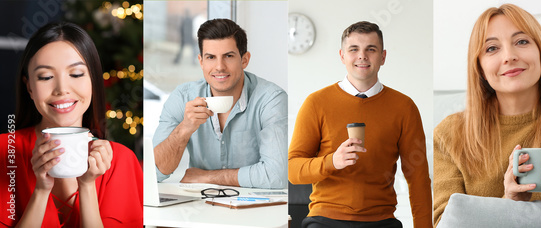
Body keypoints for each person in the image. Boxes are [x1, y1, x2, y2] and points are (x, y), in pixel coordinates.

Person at [432, 4, 541, 225]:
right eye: (491, 48)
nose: (509, 56)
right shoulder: (450, 134)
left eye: (521, 42)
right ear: (480, 68)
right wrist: (507, 202)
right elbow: (445, 222)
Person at [288, 21, 432, 228]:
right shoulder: (316, 103)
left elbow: (418, 178)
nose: (362, 56)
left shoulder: (404, 107)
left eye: (370, 49)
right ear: (342, 56)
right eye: (353, 49)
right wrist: (332, 162)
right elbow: (293, 170)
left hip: (381, 221)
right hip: (325, 219)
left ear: (382, 57)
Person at [1, 22, 142, 227]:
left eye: (76, 74)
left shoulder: (121, 161)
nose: (61, 89)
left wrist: (87, 186)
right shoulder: (5, 152)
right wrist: (41, 191)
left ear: (93, 79)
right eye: (46, 77)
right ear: (29, 86)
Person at [152, 18, 287, 189]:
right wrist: (184, 128)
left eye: (228, 56)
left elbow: (276, 175)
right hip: (200, 205)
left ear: (244, 60)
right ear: (201, 61)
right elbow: (154, 172)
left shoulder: (271, 99)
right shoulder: (182, 97)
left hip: (256, 207)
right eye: (211, 57)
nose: (219, 67)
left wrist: (207, 177)